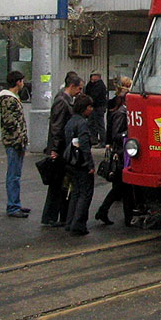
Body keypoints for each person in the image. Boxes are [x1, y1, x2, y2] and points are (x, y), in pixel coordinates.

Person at [42, 72, 83, 227]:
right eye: (78, 88)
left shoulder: (63, 100)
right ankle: (51, 217)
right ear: (71, 86)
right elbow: (56, 127)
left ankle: (54, 216)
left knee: (59, 184)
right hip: (59, 149)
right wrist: (54, 149)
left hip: (60, 148)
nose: (79, 92)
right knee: (57, 184)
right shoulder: (62, 102)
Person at [95, 78, 134, 226]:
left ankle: (108, 212)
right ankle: (122, 216)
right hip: (120, 154)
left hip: (123, 153)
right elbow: (116, 134)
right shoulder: (121, 113)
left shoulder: (124, 112)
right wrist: (128, 133)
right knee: (122, 187)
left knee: (123, 188)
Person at [0, 70, 30, 218]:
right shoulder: (9, 100)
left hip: (15, 141)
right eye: (22, 81)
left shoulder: (12, 98)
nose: (23, 83)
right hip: (14, 142)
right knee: (13, 175)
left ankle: (15, 203)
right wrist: (19, 139)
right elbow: (10, 122)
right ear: (18, 82)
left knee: (15, 174)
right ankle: (13, 206)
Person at [63, 94, 96, 236]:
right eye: (89, 107)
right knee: (85, 193)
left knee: (75, 192)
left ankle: (70, 222)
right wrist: (90, 165)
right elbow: (84, 146)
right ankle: (79, 224)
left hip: (70, 162)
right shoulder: (82, 123)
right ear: (84, 108)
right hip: (81, 163)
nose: (91, 109)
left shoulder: (71, 121)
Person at [84, 71, 109, 148]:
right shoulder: (93, 84)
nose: (92, 77)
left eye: (93, 76)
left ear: (97, 76)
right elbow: (87, 90)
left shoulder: (100, 85)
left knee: (99, 124)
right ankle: (93, 140)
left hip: (99, 107)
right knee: (91, 124)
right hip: (94, 107)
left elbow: (94, 95)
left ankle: (103, 141)